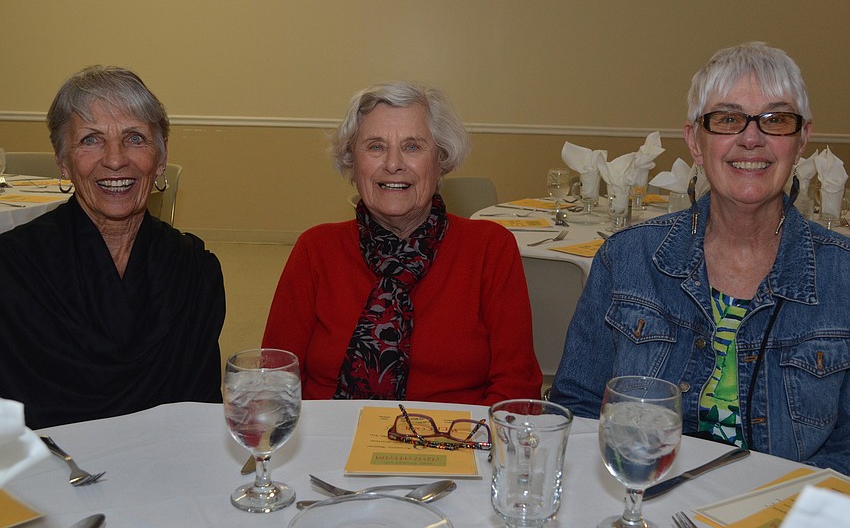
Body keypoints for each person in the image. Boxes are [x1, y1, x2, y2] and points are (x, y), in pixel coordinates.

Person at [550, 42, 850, 474]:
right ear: (695, 140)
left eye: (776, 120)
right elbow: (577, 411)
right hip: (645, 499)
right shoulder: (628, 259)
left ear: (801, 140)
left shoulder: (841, 274)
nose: (751, 138)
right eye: (728, 119)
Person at [262, 81, 541, 404]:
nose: (393, 164)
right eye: (376, 146)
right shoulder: (315, 250)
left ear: (441, 162)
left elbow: (516, 389)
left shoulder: (490, 249)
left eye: (412, 146)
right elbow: (273, 379)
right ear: (352, 164)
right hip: (332, 441)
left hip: (455, 443)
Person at [0, 66, 225, 429]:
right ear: (63, 162)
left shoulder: (194, 273)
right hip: (48, 473)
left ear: (161, 158)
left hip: (167, 469)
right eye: (91, 139)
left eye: (135, 138)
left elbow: (198, 414)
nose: (116, 159)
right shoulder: (11, 272)